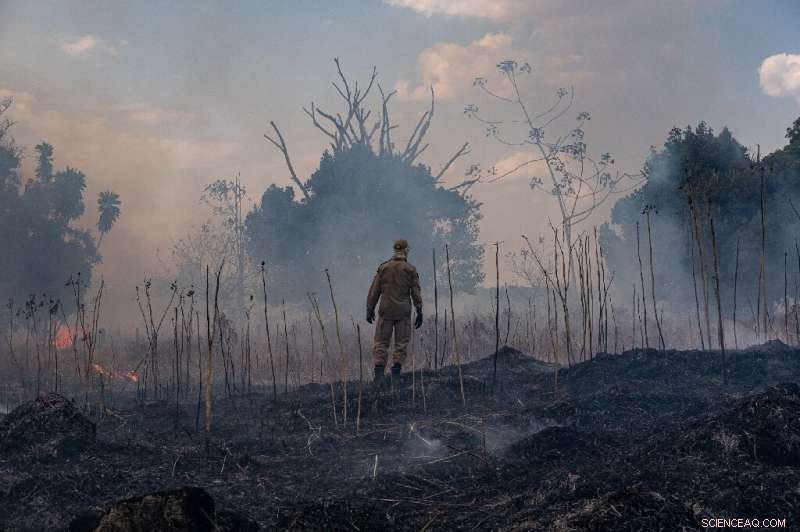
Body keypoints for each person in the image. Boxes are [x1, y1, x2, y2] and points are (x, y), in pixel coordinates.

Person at [366, 239, 423, 382]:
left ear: (395, 250)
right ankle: (396, 374)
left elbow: (374, 291)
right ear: (406, 250)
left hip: (385, 311)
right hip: (403, 313)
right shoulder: (410, 269)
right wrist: (419, 310)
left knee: (381, 342)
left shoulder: (383, 268)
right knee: (401, 343)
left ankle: (379, 374)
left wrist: (370, 308)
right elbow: (416, 293)